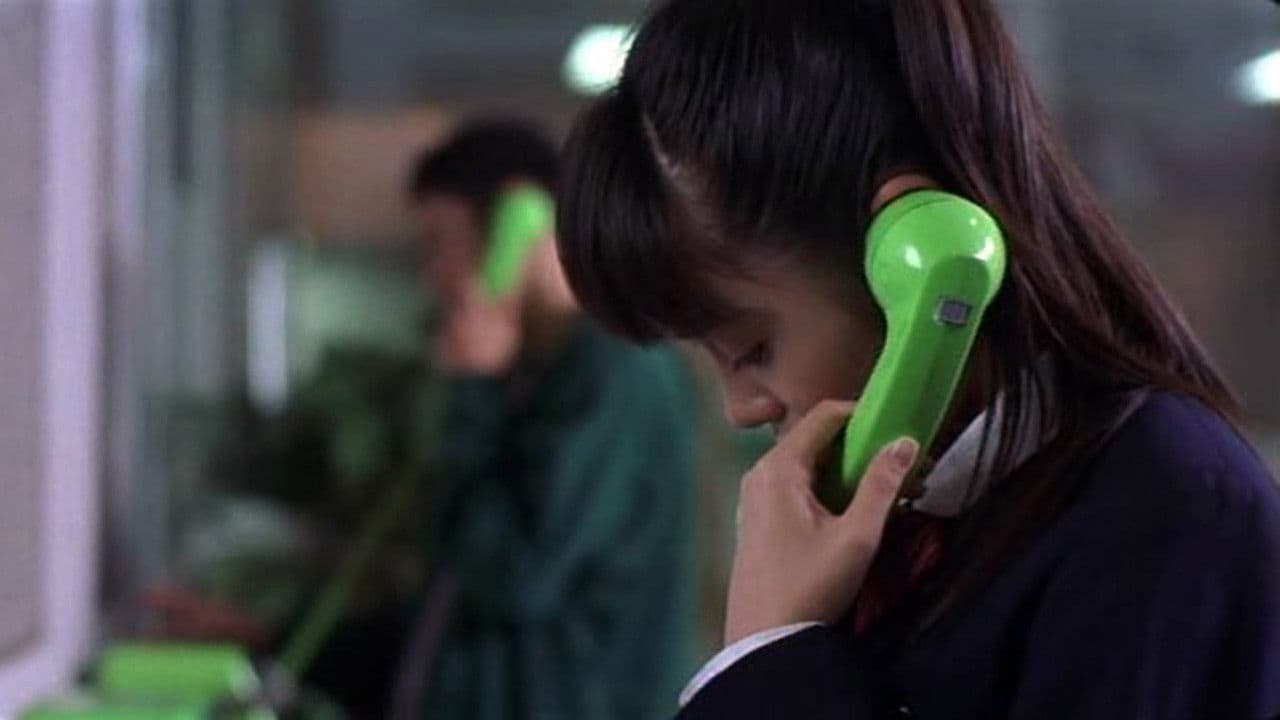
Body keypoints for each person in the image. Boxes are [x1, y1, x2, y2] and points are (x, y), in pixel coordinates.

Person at [554, 1, 1280, 718]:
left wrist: (769, 661)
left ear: (919, 262)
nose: (742, 408)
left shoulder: (1165, 520)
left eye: (753, 350)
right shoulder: (902, 539)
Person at [403, 118, 701, 720]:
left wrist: (473, 395)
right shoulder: (540, 367)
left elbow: (517, 572)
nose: (433, 275)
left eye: (439, 243)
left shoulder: (615, 369)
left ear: (518, 218)